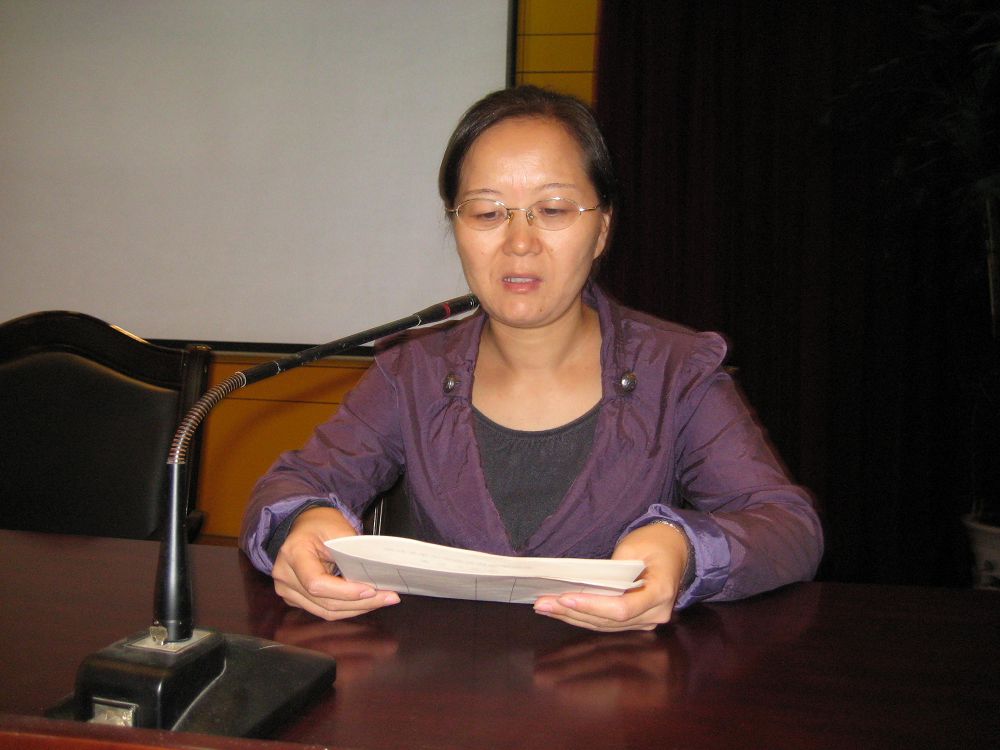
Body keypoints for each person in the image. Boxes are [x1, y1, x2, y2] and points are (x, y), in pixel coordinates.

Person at [240, 85, 823, 632]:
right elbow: (293, 484)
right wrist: (300, 524)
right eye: (487, 213)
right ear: (456, 227)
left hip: (616, 688)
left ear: (602, 230)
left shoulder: (677, 372)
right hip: (438, 684)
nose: (520, 242)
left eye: (555, 209)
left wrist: (685, 550)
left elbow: (789, 528)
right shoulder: (410, 373)